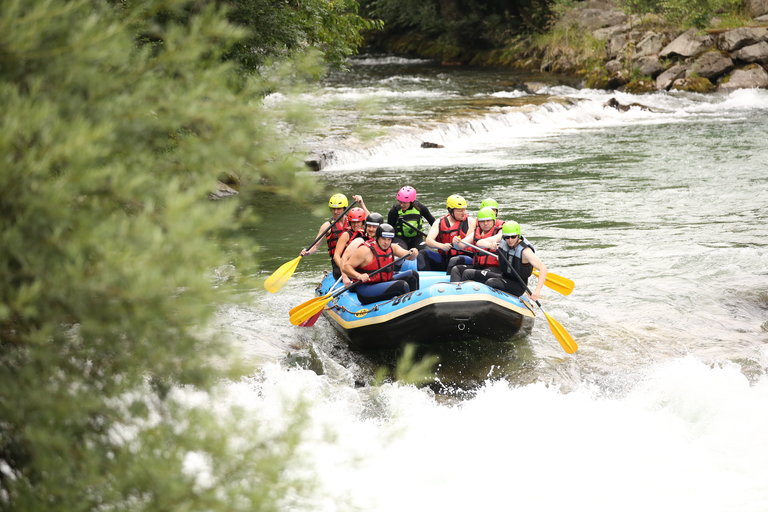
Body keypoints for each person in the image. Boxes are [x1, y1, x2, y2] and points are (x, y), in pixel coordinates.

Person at [461, 221, 547, 301]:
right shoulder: (501, 239)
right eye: (507, 237)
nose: (510, 240)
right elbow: (479, 242)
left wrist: (537, 291)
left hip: (518, 285)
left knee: (491, 282)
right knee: (468, 273)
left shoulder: (525, 251)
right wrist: (490, 245)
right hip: (503, 276)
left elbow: (543, 268)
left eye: (513, 237)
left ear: (518, 235)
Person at [342, 223, 420, 305]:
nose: (386, 242)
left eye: (389, 239)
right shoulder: (365, 250)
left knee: (413, 275)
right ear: (377, 238)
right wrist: (358, 276)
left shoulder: (393, 248)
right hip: (367, 289)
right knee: (401, 286)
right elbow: (346, 267)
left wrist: (413, 253)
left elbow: (409, 256)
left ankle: (416, 305)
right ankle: (407, 309)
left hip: (383, 281)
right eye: (383, 239)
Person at [301, 193, 369, 278]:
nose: (336, 212)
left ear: (345, 208)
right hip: (338, 263)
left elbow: (371, 220)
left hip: (355, 260)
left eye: (338, 209)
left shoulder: (353, 220)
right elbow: (315, 246)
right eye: (333, 209)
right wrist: (308, 252)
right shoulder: (327, 226)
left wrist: (361, 203)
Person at [419, 194, 476, 271]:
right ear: (450, 210)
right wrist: (441, 246)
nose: (463, 213)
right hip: (445, 258)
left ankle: (450, 280)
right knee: (423, 253)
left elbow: (471, 242)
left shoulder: (470, 221)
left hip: (464, 257)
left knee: (454, 260)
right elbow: (429, 241)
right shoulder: (439, 222)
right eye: (459, 210)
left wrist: (458, 243)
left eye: (464, 210)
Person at [448, 206, 503, 281]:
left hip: (495, 269)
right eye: (482, 221)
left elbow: (496, 238)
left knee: (468, 273)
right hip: (479, 267)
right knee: (456, 269)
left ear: (493, 221)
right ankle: (454, 289)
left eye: (488, 220)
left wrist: (489, 245)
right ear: (478, 222)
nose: (485, 223)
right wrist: (456, 242)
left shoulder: (500, 232)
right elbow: (459, 246)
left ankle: (466, 290)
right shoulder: (476, 233)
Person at [339, 212, 383, 285]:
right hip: (361, 277)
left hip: (376, 275)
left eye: (374, 227)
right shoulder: (359, 240)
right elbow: (344, 258)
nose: (371, 229)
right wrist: (345, 278)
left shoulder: (384, 241)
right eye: (369, 226)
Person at [387, 186, 435, 251]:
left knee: (427, 251)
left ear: (411, 201)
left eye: (404, 202)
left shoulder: (420, 208)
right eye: (400, 202)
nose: (402, 205)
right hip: (400, 238)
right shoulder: (394, 210)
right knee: (400, 251)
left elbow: (433, 223)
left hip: (417, 238)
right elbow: (389, 228)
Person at [332, 207, 367, 279]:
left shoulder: (366, 233)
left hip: (356, 264)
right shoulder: (346, 235)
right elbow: (336, 256)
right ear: (350, 223)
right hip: (342, 267)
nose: (355, 225)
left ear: (363, 222)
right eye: (353, 222)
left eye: (358, 222)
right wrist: (344, 270)